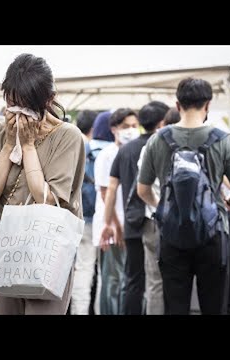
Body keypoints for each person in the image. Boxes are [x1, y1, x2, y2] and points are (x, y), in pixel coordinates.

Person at [0, 53, 85, 315]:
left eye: (26, 105)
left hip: (49, 248)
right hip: (7, 244)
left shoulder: (67, 136)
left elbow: (45, 199)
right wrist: (10, 146)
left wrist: (27, 146)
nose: (18, 112)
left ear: (49, 99)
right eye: (12, 103)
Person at [137, 78, 230, 315]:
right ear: (207, 105)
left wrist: (162, 208)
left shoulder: (158, 139)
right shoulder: (222, 139)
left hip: (171, 235)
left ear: (177, 105)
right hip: (213, 233)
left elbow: (143, 190)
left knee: (175, 305)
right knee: (213, 304)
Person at [101, 101, 167, 315]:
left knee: (133, 280)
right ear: (162, 122)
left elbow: (111, 188)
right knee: (158, 279)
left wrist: (107, 222)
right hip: (157, 221)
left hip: (132, 220)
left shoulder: (126, 149)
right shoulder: (164, 145)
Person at [95, 108, 139, 315]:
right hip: (112, 226)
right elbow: (105, 194)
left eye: (133, 126)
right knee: (113, 279)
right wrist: (116, 225)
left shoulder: (135, 151)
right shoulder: (107, 155)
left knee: (127, 279)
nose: (131, 130)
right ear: (114, 129)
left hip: (130, 224)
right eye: (125, 127)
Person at [136, 103, 172, 315]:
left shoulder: (150, 146)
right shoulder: (199, 144)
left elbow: (143, 189)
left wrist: (160, 206)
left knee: (155, 281)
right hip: (190, 223)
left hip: (154, 219)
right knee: (182, 280)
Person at [70, 109, 99, 315]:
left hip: (67, 216)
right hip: (88, 217)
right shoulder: (92, 150)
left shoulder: (68, 142)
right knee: (86, 269)